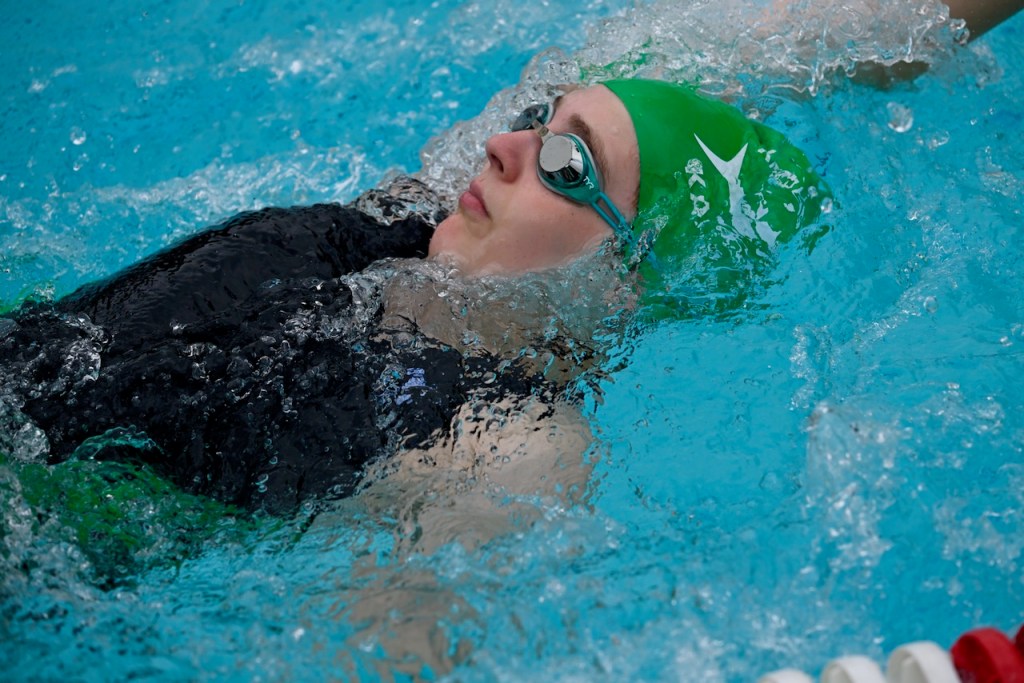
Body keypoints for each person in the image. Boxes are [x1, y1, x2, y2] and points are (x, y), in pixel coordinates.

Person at [1, 0, 1017, 515]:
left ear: (625, 281)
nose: (501, 145)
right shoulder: (406, 217)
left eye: (567, 162)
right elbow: (799, 35)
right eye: (539, 120)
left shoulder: (501, 448)